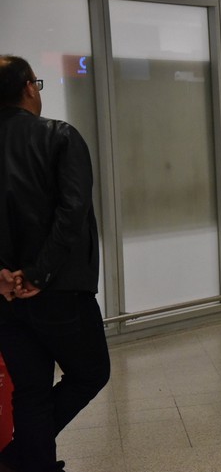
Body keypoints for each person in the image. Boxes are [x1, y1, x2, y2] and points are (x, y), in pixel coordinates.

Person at [0, 55, 111, 472]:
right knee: (90, 373)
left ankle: (28, 462)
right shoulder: (59, 136)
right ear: (29, 87)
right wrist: (38, 273)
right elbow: (72, 211)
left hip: (5, 296)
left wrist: (3, 276)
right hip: (60, 289)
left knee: (30, 390)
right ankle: (19, 458)